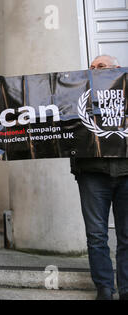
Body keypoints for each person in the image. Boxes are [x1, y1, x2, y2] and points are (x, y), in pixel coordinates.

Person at [71, 55, 128, 300]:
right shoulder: (78, 93)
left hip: (126, 172)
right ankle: (104, 287)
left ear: (117, 70)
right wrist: (0, 89)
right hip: (92, 173)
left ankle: (126, 288)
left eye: (101, 67)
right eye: (91, 68)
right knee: (96, 235)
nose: (95, 71)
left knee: (126, 235)